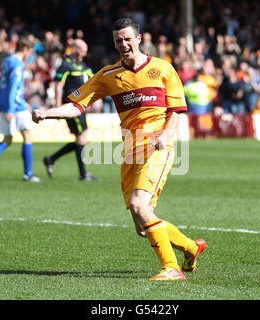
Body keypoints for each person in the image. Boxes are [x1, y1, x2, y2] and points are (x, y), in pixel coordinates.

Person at [32, 18, 206, 281]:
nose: (123, 44)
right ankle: (192, 248)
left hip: (158, 147)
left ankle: (171, 269)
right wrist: (47, 113)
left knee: (139, 204)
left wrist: (164, 135)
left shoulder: (163, 69)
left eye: (127, 39)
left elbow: (177, 112)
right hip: (130, 151)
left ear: (139, 39)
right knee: (142, 224)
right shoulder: (107, 76)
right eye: (118, 41)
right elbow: (76, 105)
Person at [0, 37, 41, 182]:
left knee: (7, 139)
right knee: (28, 135)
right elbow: (13, 87)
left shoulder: (6, 60)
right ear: (24, 49)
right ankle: (28, 174)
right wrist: (12, 108)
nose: (30, 56)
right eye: (30, 52)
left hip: (5, 104)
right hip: (15, 106)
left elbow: (5, 85)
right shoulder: (18, 64)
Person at [42, 39, 100, 181]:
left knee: (81, 138)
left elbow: (93, 80)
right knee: (82, 136)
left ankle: (51, 159)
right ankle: (83, 174)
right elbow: (58, 86)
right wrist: (57, 107)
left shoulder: (82, 65)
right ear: (74, 49)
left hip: (81, 105)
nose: (84, 54)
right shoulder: (65, 65)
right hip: (71, 106)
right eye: (82, 51)